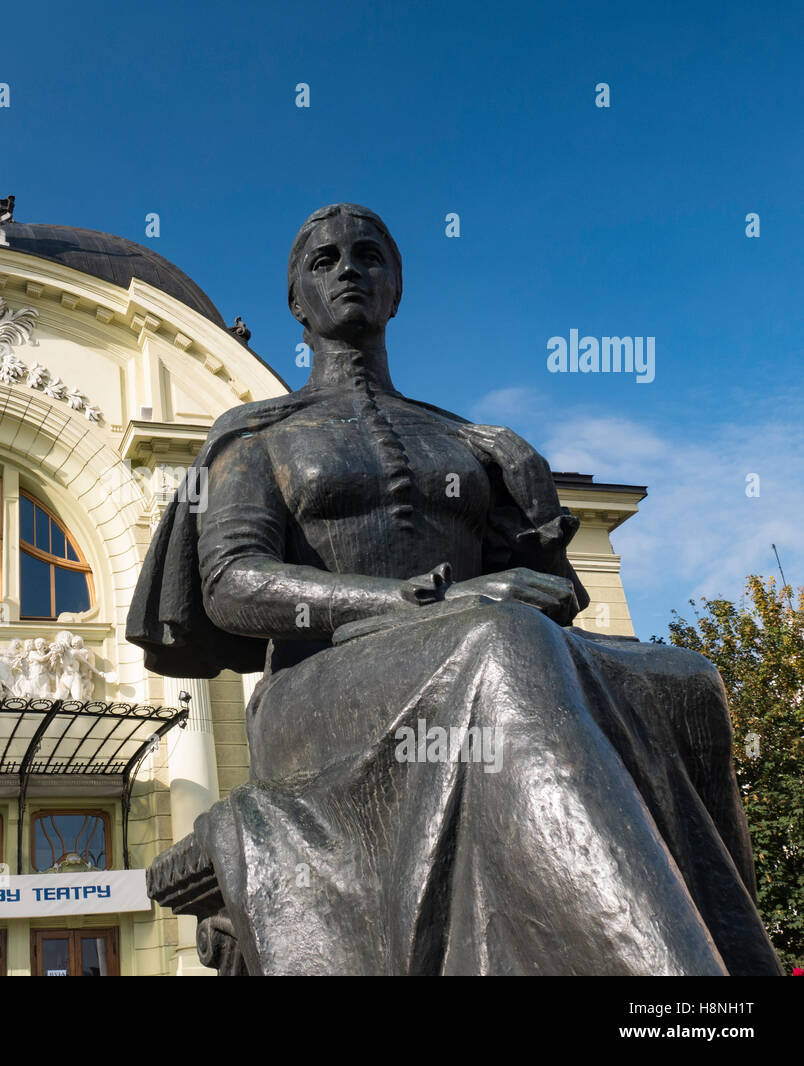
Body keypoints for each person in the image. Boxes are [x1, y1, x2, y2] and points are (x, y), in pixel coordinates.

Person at [129, 203, 783, 976]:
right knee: (497, 643)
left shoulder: (466, 440)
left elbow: (555, 602)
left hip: (479, 652)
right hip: (319, 689)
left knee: (686, 682)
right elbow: (232, 583)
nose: (349, 270)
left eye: (369, 257)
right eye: (324, 260)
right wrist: (399, 603)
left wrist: (538, 507)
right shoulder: (257, 433)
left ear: (396, 289)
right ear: (297, 303)